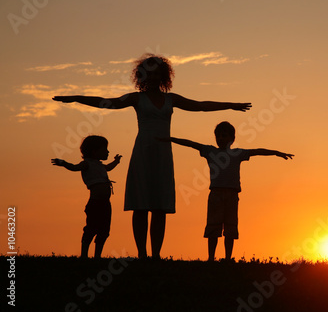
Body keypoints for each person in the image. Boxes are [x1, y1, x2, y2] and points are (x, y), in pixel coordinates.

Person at [52, 54, 251, 259]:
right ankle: (142, 254)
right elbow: (107, 103)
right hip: (143, 153)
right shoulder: (136, 98)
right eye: (150, 73)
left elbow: (199, 105)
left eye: (158, 73)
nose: (154, 77)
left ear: (163, 76)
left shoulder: (170, 99)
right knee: (140, 205)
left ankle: (155, 255)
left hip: (163, 155)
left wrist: (230, 105)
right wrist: (76, 98)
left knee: (159, 207)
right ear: (143, 76)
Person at [158, 121, 293, 261]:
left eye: (224, 136)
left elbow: (257, 151)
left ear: (232, 139)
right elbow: (191, 144)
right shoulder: (210, 151)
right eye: (218, 136)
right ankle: (211, 258)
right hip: (215, 194)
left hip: (232, 195)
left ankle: (228, 258)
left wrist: (277, 153)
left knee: (230, 227)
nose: (221, 139)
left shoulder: (238, 153)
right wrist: (171, 139)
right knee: (213, 228)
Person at [51, 135, 122, 258]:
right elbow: (74, 167)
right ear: (94, 151)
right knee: (91, 228)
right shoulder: (86, 164)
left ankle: (97, 256)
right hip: (95, 204)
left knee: (104, 230)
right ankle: (84, 254)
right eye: (105, 149)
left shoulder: (100, 165)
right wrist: (63, 163)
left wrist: (116, 161)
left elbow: (108, 168)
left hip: (105, 204)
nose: (108, 151)